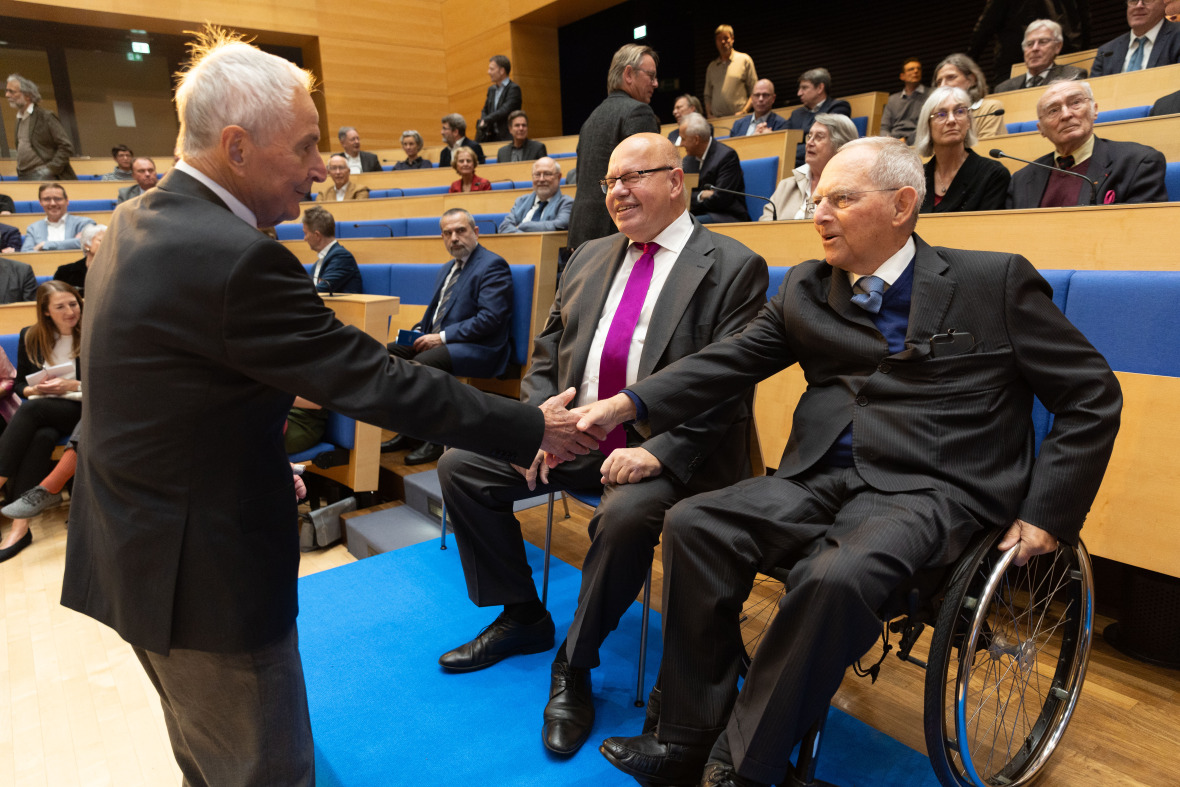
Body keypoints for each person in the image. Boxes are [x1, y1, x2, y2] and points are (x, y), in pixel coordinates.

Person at [59, 29, 597, 786]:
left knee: (207, 760)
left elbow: (158, 388)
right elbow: (377, 380)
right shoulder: (237, 255)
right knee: (263, 770)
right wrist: (533, 424)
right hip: (203, 579)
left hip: (136, 553)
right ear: (237, 147)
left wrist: (253, 458)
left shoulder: (133, 221)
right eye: (306, 146)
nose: (321, 169)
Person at [578, 136, 1122, 787]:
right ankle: (687, 737)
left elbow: (1091, 393)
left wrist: (1046, 514)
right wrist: (628, 402)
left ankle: (740, 767)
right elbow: (726, 362)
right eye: (816, 197)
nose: (820, 213)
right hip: (819, 477)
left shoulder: (992, 280)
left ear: (901, 205)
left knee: (835, 576)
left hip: (931, 490)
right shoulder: (809, 287)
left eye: (841, 197)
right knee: (696, 523)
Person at [436, 132, 767, 757]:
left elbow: (729, 383)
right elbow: (547, 349)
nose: (616, 192)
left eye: (633, 177)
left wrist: (660, 452)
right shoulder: (587, 254)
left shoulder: (730, 265)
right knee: (462, 467)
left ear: (677, 181)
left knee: (626, 515)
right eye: (609, 182)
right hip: (576, 434)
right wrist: (538, 423)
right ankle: (523, 616)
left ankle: (575, 663)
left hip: (663, 448)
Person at [383, 208, 514, 465]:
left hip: (482, 347)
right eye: (447, 233)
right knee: (386, 355)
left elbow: (490, 319)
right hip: (445, 341)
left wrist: (441, 337)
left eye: (460, 231)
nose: (454, 238)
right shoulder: (447, 268)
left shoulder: (492, 265)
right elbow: (437, 312)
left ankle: (434, 439)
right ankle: (408, 431)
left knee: (422, 364)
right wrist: (421, 330)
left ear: (475, 232)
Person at [0, 281, 84, 563]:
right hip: (47, 410)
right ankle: (20, 527)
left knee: (30, 414)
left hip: (84, 408)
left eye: (73, 304)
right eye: (60, 307)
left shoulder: (92, 334)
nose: (70, 311)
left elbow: (109, 381)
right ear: (45, 312)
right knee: (42, 436)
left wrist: (71, 384)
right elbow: (20, 383)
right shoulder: (30, 336)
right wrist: (35, 390)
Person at [1006, 80, 1168, 208]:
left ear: (1094, 110)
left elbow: (1144, 233)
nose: (1066, 114)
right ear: (1041, 129)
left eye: (1075, 102)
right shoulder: (1022, 179)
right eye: (1053, 111)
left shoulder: (1138, 162)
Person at [568, 44, 661, 250]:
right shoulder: (639, 112)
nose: (655, 83)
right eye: (651, 75)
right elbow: (649, 181)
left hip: (582, 232)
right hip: (617, 234)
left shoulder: (591, 118)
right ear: (629, 74)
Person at [915, 86, 1010, 213]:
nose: (951, 120)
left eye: (959, 112)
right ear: (928, 126)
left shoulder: (992, 174)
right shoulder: (915, 179)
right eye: (941, 114)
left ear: (969, 122)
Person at [760, 113, 858, 221]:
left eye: (819, 137)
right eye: (810, 136)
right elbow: (765, 224)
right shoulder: (787, 185)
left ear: (840, 145)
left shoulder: (850, 190)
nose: (810, 143)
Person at [969, 0, 1091, 85]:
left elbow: (986, 24)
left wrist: (969, 61)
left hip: (1015, 58)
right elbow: (1084, 17)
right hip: (1064, 51)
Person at [678, 113, 750, 223]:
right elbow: (682, 195)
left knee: (687, 224)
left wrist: (693, 199)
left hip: (727, 215)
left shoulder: (727, 156)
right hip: (699, 213)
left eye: (683, 139)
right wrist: (701, 195)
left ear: (696, 139)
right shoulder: (688, 160)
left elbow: (720, 199)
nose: (681, 144)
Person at [5, 74, 75, 180]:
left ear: (27, 95)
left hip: (46, 178)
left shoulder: (45, 116)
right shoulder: (19, 119)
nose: (7, 95)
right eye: (7, 91)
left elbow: (66, 147)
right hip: (24, 176)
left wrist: (50, 170)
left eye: (12, 91)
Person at [994, 19, 1088, 92]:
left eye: (1042, 42)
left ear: (1058, 47)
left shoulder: (1072, 77)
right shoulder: (1003, 89)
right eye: (1030, 44)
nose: (1034, 48)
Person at [1091, 0, 1179, 77]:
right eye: (1133, 0)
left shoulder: (1177, 37)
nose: (1139, 5)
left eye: (1147, 0)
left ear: (1164, 3)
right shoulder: (1106, 52)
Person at [784, 68, 853, 165]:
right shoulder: (796, 114)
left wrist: (790, 151)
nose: (799, 93)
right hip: (794, 162)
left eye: (804, 88)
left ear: (820, 88)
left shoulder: (838, 107)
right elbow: (783, 140)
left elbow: (826, 145)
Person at [933, 54, 1006, 139]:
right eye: (939, 82)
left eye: (951, 77)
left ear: (972, 80)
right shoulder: (935, 115)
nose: (943, 85)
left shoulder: (990, 109)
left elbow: (987, 148)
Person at [498, 157, 572, 233]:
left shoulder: (566, 203)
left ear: (558, 177)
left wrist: (522, 226)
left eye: (547, 174)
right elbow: (504, 227)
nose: (541, 179)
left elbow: (560, 225)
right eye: (537, 174)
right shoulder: (521, 201)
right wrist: (525, 237)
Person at [302, 206, 362, 294]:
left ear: (317, 235)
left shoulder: (342, 257)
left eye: (305, 233)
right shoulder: (317, 264)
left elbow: (322, 290)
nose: (305, 238)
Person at [20, 184, 96, 252]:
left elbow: (87, 243)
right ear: (41, 202)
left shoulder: (84, 223)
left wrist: (45, 245)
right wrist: (71, 243)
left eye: (58, 199)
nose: (53, 203)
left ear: (67, 201)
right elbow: (26, 252)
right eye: (47, 199)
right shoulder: (33, 228)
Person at [704, 25, 757, 118]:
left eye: (726, 38)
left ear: (732, 39)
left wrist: (745, 111)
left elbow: (755, 90)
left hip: (740, 118)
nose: (723, 42)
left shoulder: (744, 60)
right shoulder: (711, 67)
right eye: (719, 39)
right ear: (716, 42)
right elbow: (707, 95)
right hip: (717, 120)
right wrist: (709, 114)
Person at [880, 58, 927, 144]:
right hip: (893, 143)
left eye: (918, 68)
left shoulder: (931, 95)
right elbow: (884, 127)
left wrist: (906, 140)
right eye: (911, 69)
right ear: (902, 76)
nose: (916, 71)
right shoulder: (892, 99)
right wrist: (888, 142)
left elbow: (927, 126)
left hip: (917, 142)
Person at [477, 55, 523, 143]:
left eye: (491, 69)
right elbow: (485, 109)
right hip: (491, 137)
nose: (488, 72)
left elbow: (505, 110)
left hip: (508, 138)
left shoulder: (514, 89)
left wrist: (486, 120)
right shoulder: (491, 90)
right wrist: (483, 122)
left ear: (502, 71)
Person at [52, 222, 106, 296]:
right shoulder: (65, 273)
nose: (108, 244)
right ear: (87, 245)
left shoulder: (118, 271)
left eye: (110, 241)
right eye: (102, 240)